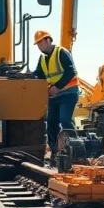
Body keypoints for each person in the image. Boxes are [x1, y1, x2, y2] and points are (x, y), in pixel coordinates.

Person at [32, 30, 79, 166]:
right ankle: (55, 152)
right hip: (54, 97)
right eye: (37, 44)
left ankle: (75, 151)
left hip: (68, 93)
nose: (39, 47)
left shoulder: (61, 52)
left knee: (65, 120)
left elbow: (71, 71)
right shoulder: (42, 59)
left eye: (40, 43)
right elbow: (39, 74)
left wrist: (58, 86)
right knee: (51, 123)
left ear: (47, 40)